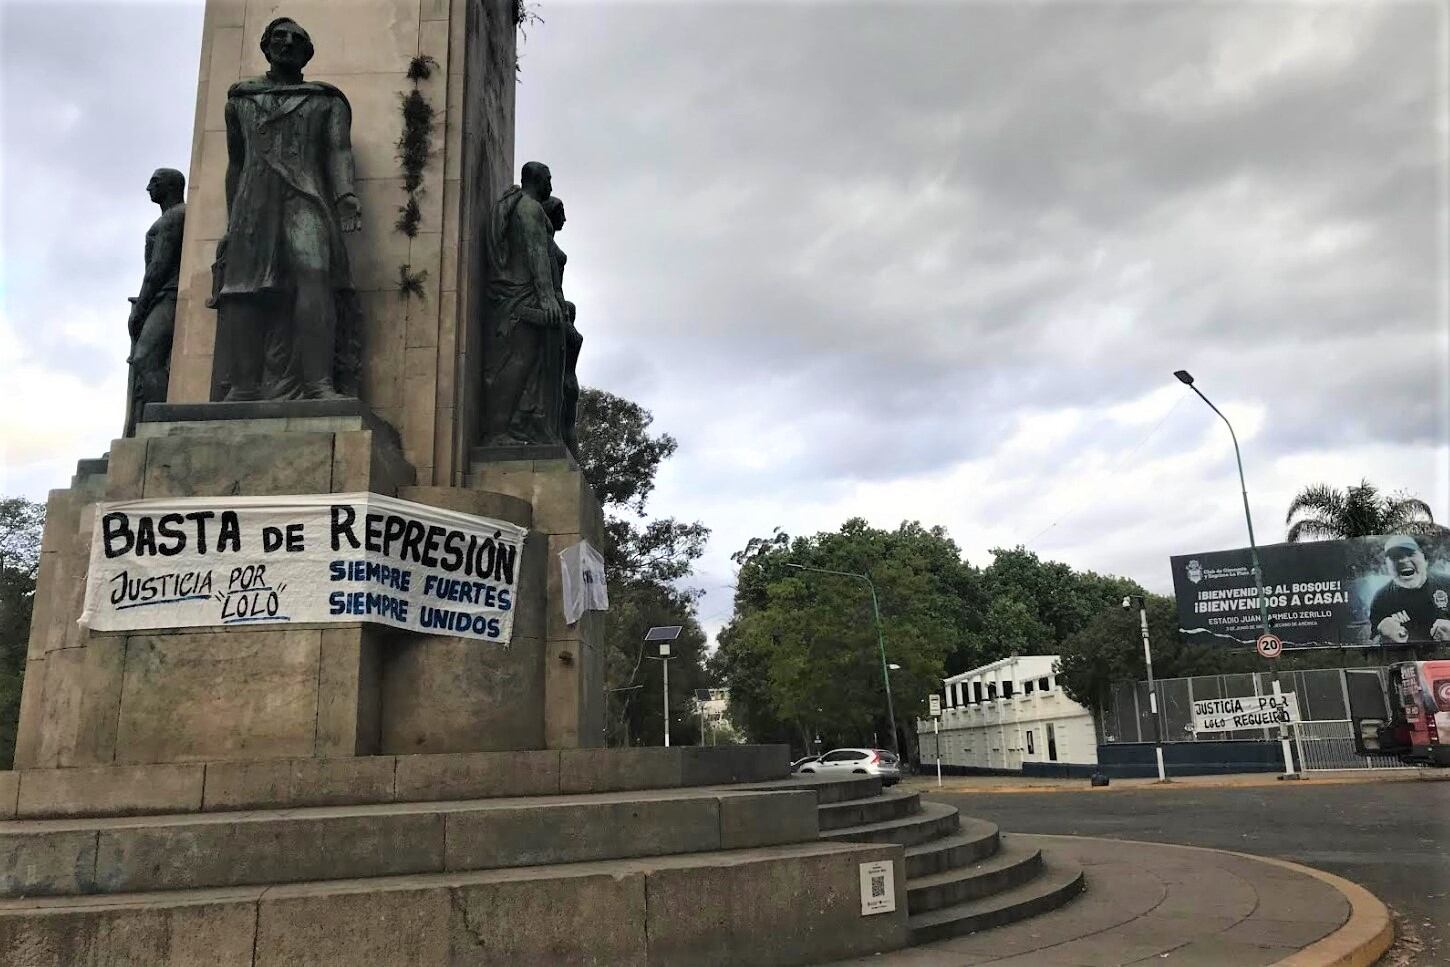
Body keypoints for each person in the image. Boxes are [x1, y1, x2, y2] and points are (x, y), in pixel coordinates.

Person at [215, 17, 362, 401]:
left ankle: (318, 383)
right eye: (279, 37)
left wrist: (346, 196)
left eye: (297, 39)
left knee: (315, 272)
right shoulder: (240, 101)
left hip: (306, 195)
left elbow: (339, 151)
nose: (287, 43)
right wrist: (232, 221)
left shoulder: (325, 100)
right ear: (265, 46)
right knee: (242, 287)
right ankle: (244, 386)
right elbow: (236, 162)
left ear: (306, 52)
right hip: (253, 199)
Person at [482, 162, 566, 445]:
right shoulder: (529, 208)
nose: (551, 187)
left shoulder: (524, 206)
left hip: (520, 296)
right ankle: (497, 431)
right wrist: (546, 297)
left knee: (523, 363)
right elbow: (536, 251)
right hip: (522, 298)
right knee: (518, 362)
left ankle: (509, 426)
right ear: (538, 180)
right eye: (549, 181)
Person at [124, 168, 185, 436]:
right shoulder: (173, 217)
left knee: (145, 358)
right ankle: (140, 426)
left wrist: (140, 307)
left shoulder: (173, 218)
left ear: (171, 186)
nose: (149, 187)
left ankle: (155, 427)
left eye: (155, 182)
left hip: (168, 297)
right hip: (163, 296)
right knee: (145, 362)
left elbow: (158, 268)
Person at [542, 195, 582, 456]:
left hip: (568, 378)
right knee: (561, 419)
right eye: (561, 213)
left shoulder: (547, 242)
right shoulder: (543, 242)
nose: (564, 219)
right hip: (559, 371)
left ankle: (574, 466)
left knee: (567, 420)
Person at [1369, 535, 1450, 643]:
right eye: (1395, 557)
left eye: (1410, 554)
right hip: (1407, 658)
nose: (1403, 560)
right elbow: (1371, 644)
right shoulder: (1381, 598)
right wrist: (1383, 637)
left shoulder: (1446, 584)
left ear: (1425, 558)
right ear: (1387, 566)